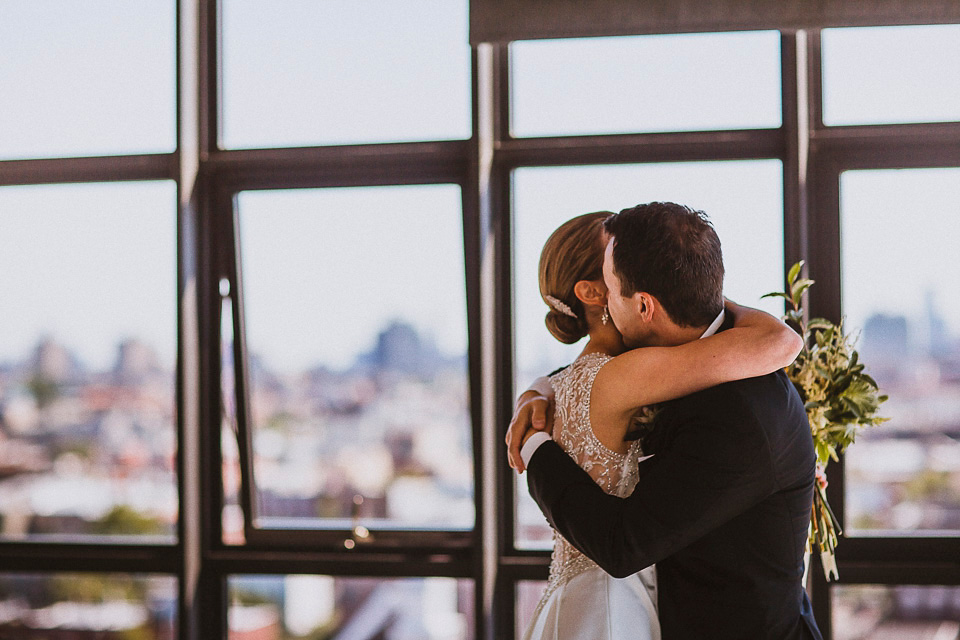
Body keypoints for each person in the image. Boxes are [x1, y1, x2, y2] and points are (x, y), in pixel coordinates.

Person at [514, 210, 808, 640]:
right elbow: (584, 379)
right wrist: (538, 391)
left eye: (612, 289)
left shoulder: (738, 413)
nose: (607, 305)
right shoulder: (686, 355)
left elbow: (622, 544)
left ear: (645, 304)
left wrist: (535, 447)